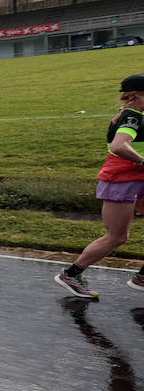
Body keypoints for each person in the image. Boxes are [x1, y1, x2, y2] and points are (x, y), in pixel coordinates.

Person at [56, 74, 144, 299]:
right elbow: (119, 145)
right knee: (116, 237)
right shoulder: (132, 116)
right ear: (137, 94)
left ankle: (142, 278)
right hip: (122, 182)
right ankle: (71, 275)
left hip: (137, 179)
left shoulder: (135, 114)